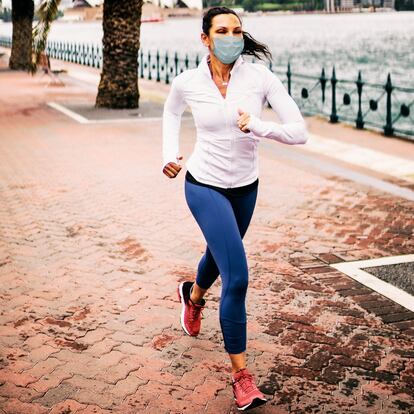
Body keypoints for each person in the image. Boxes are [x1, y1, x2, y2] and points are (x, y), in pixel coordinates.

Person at [162, 6, 309, 411]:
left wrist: (259, 127)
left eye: (237, 30)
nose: (232, 37)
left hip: (246, 188)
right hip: (203, 184)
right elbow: (171, 111)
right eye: (222, 31)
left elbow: (300, 132)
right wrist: (169, 155)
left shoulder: (259, 78)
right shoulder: (188, 81)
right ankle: (242, 379)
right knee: (237, 276)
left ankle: (192, 296)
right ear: (206, 39)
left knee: (219, 252)